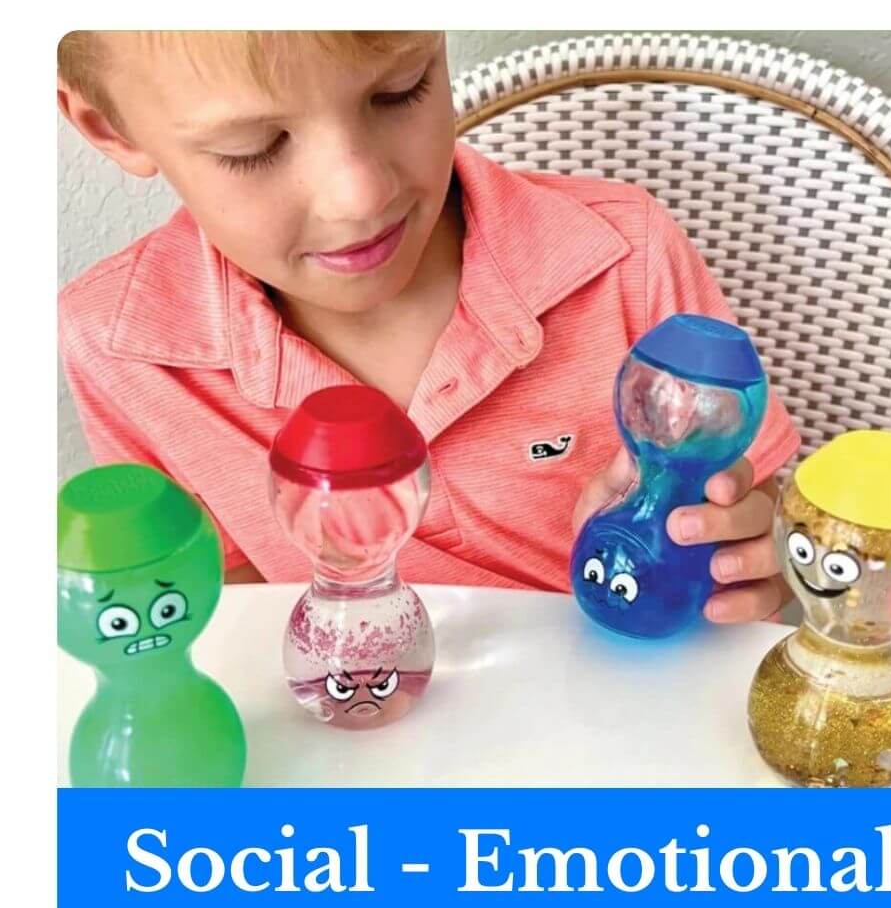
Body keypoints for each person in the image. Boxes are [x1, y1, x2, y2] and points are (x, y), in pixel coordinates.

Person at [58, 31, 801, 623]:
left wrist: (732, 553)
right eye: (252, 147)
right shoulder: (123, 345)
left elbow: (757, 521)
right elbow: (230, 612)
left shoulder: (623, 255)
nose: (359, 195)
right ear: (110, 126)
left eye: (400, 89)